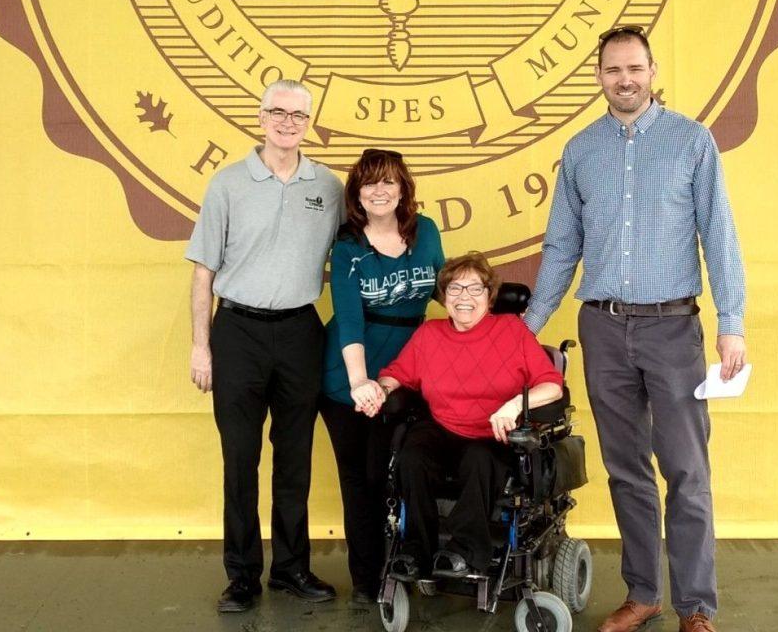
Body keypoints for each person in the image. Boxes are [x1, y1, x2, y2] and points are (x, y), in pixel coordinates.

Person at [524, 25, 747, 632]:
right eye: (612, 70)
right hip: (603, 329)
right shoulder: (581, 150)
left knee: (686, 472)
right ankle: (643, 593)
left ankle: (696, 607)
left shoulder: (691, 142)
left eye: (635, 69)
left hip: (673, 330)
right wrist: (528, 327)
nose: (624, 80)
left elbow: (719, 238)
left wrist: (732, 324)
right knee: (626, 470)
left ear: (653, 72)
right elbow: (562, 244)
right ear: (598, 77)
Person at [186, 79, 344, 614]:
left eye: (298, 115)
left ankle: (292, 569)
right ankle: (242, 576)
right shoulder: (228, 185)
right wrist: (201, 347)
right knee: (240, 459)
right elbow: (203, 272)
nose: (287, 122)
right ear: (260, 117)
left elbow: (355, 253)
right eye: (277, 112)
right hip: (237, 333)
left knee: (295, 457)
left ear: (309, 123)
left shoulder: (328, 186)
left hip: (301, 331)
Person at [375, 252, 564, 581]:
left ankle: (464, 551)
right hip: (443, 426)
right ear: (444, 296)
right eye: (455, 289)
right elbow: (397, 374)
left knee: (478, 459)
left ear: (490, 296)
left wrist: (514, 405)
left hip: (493, 434)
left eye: (475, 289)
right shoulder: (430, 335)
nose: (464, 298)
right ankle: (416, 550)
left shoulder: (511, 331)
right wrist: (380, 388)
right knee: (412, 456)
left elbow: (552, 386)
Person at [319, 148, 445, 607]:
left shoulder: (425, 232)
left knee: (407, 470)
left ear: (403, 188)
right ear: (356, 192)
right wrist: (359, 384)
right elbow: (348, 318)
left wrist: (490, 329)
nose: (379, 190)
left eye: (388, 181)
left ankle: (417, 562)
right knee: (363, 479)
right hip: (348, 373)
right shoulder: (349, 244)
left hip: (407, 370)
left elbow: (444, 292)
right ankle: (367, 581)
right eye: (369, 182)